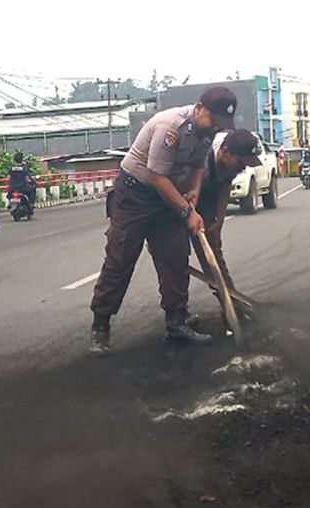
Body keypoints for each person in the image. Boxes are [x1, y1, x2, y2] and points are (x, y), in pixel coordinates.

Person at [88, 86, 237, 356]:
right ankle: (100, 326)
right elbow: (157, 177)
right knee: (120, 259)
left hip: (167, 200)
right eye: (213, 120)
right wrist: (187, 212)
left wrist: (194, 191)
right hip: (135, 196)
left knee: (175, 257)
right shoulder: (170, 127)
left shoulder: (206, 132)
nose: (216, 127)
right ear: (199, 108)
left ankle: (176, 322)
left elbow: (198, 167)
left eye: (220, 124)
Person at [190, 129, 263, 321]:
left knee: (213, 256)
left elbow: (224, 189)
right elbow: (180, 189)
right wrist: (189, 214)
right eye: (241, 162)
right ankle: (177, 317)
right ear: (225, 152)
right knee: (175, 259)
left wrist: (219, 221)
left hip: (205, 202)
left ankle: (231, 305)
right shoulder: (200, 157)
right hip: (177, 199)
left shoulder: (230, 164)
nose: (243, 167)